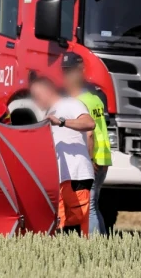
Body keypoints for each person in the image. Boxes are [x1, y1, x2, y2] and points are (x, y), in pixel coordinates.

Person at [29, 76, 95, 235]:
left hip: (75, 174)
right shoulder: (49, 111)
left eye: (38, 96)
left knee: (76, 227)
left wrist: (62, 122)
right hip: (58, 177)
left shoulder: (71, 103)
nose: (36, 101)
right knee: (60, 227)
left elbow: (89, 124)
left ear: (48, 90)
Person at [62, 52, 112, 235]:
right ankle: (103, 243)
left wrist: (88, 160)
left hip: (93, 158)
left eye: (69, 71)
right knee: (94, 205)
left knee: (88, 207)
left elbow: (89, 134)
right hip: (103, 156)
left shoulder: (78, 102)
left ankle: (95, 246)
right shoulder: (95, 98)